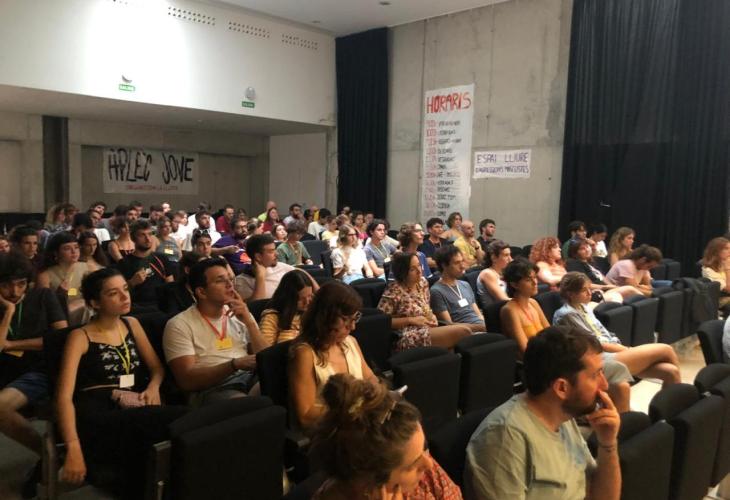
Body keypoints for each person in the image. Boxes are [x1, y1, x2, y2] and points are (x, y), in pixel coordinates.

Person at [56, 268, 186, 498]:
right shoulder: (80, 336)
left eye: (125, 289)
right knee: (178, 418)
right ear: (95, 303)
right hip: (98, 410)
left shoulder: (131, 324)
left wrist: (153, 387)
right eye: (113, 293)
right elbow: (63, 397)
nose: (125, 297)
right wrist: (73, 447)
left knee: (159, 427)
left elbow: (157, 369)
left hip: (134, 400)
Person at [464, 326, 620, 500]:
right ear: (562, 388)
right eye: (595, 375)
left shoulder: (563, 416)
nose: (605, 385)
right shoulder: (504, 438)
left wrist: (608, 443)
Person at [310, 373, 462, 499]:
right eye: (411, 466)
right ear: (369, 483)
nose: (429, 464)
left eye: (424, 448)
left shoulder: (426, 469)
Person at [0, 252, 67, 487]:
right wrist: (8, 312)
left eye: (20, 284)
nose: (14, 291)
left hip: (38, 369)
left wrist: (12, 345)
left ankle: (48, 454)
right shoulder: (3, 306)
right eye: (6, 285)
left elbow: (61, 337)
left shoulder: (43, 296)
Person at [163, 259, 268, 406]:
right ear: (201, 292)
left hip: (249, 377)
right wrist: (234, 365)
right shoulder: (179, 325)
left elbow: (266, 358)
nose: (230, 285)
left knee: (283, 385)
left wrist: (249, 323)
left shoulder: (240, 313)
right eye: (220, 281)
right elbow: (186, 381)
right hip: (213, 388)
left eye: (230, 279)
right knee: (248, 405)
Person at [555, 272, 681, 389]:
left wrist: (622, 347)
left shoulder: (584, 307)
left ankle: (675, 403)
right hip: (597, 358)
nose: (589, 293)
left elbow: (602, 332)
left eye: (590, 288)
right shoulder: (567, 314)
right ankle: (683, 396)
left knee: (671, 372)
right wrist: (628, 350)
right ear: (570, 294)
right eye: (584, 290)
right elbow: (595, 344)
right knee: (666, 349)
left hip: (610, 351)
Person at [289, 281, 377, 429]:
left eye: (355, 318)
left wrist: (379, 396)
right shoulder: (305, 354)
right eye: (345, 320)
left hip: (359, 421)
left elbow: (370, 378)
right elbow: (306, 414)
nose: (352, 326)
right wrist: (353, 409)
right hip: (330, 430)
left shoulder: (351, 342)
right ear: (325, 318)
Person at [378, 252, 471, 352]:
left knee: (459, 337)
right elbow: (380, 322)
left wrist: (431, 316)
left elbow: (425, 307)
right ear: (402, 272)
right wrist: (410, 320)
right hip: (409, 336)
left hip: (430, 328)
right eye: (412, 269)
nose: (419, 271)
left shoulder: (423, 282)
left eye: (419, 265)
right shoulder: (394, 290)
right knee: (463, 331)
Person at [116, 220, 175, 310]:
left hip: (162, 306)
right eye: (142, 235)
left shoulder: (162, 258)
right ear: (133, 238)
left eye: (150, 234)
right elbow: (119, 293)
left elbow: (171, 286)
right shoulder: (124, 263)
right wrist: (132, 282)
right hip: (138, 308)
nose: (148, 239)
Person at [37, 232, 91, 326]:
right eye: (67, 248)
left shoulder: (87, 268)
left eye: (76, 247)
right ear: (56, 252)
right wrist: (58, 295)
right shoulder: (45, 275)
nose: (74, 251)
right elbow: (43, 306)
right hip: (60, 318)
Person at [565, 238, 641, 302]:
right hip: (594, 293)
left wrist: (614, 286)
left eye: (587, 247)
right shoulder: (573, 263)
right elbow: (584, 284)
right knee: (630, 289)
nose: (587, 250)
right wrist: (605, 287)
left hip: (605, 289)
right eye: (582, 249)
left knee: (629, 294)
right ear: (574, 253)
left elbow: (602, 277)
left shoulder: (591, 262)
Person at [500, 258, 550, 355]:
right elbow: (525, 349)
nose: (535, 283)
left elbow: (550, 333)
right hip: (533, 359)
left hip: (547, 353)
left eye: (535, 277)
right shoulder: (509, 310)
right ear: (514, 284)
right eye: (528, 279)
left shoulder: (533, 303)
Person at [430, 246, 486, 332]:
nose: (462, 266)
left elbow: (478, 314)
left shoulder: (465, 284)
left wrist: (486, 324)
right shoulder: (436, 291)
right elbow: (449, 325)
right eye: (457, 263)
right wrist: (479, 327)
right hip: (465, 332)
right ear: (444, 265)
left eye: (462, 261)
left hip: (482, 328)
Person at [235, 233, 304, 301]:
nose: (277, 254)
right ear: (258, 257)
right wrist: (260, 278)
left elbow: (302, 273)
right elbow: (256, 305)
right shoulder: (242, 281)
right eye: (271, 251)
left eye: (275, 250)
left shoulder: (280, 266)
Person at [259, 270, 314, 345]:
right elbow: (266, 349)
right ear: (288, 299)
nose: (307, 302)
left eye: (310, 296)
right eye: (301, 299)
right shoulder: (271, 318)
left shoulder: (311, 312)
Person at [158, 252, 205, 316]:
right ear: (187, 270)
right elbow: (173, 316)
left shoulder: (209, 290)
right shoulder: (171, 292)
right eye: (202, 268)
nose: (207, 272)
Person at [476, 240, 512, 309]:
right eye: (506, 255)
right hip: (495, 312)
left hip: (506, 309)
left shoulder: (503, 273)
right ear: (494, 258)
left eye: (510, 255)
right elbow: (503, 300)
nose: (510, 259)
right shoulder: (487, 273)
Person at [701, 236, 730, 309]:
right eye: (726, 249)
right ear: (716, 251)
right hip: (723, 300)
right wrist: (727, 269)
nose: (729, 251)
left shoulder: (726, 261)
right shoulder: (708, 270)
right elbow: (728, 290)